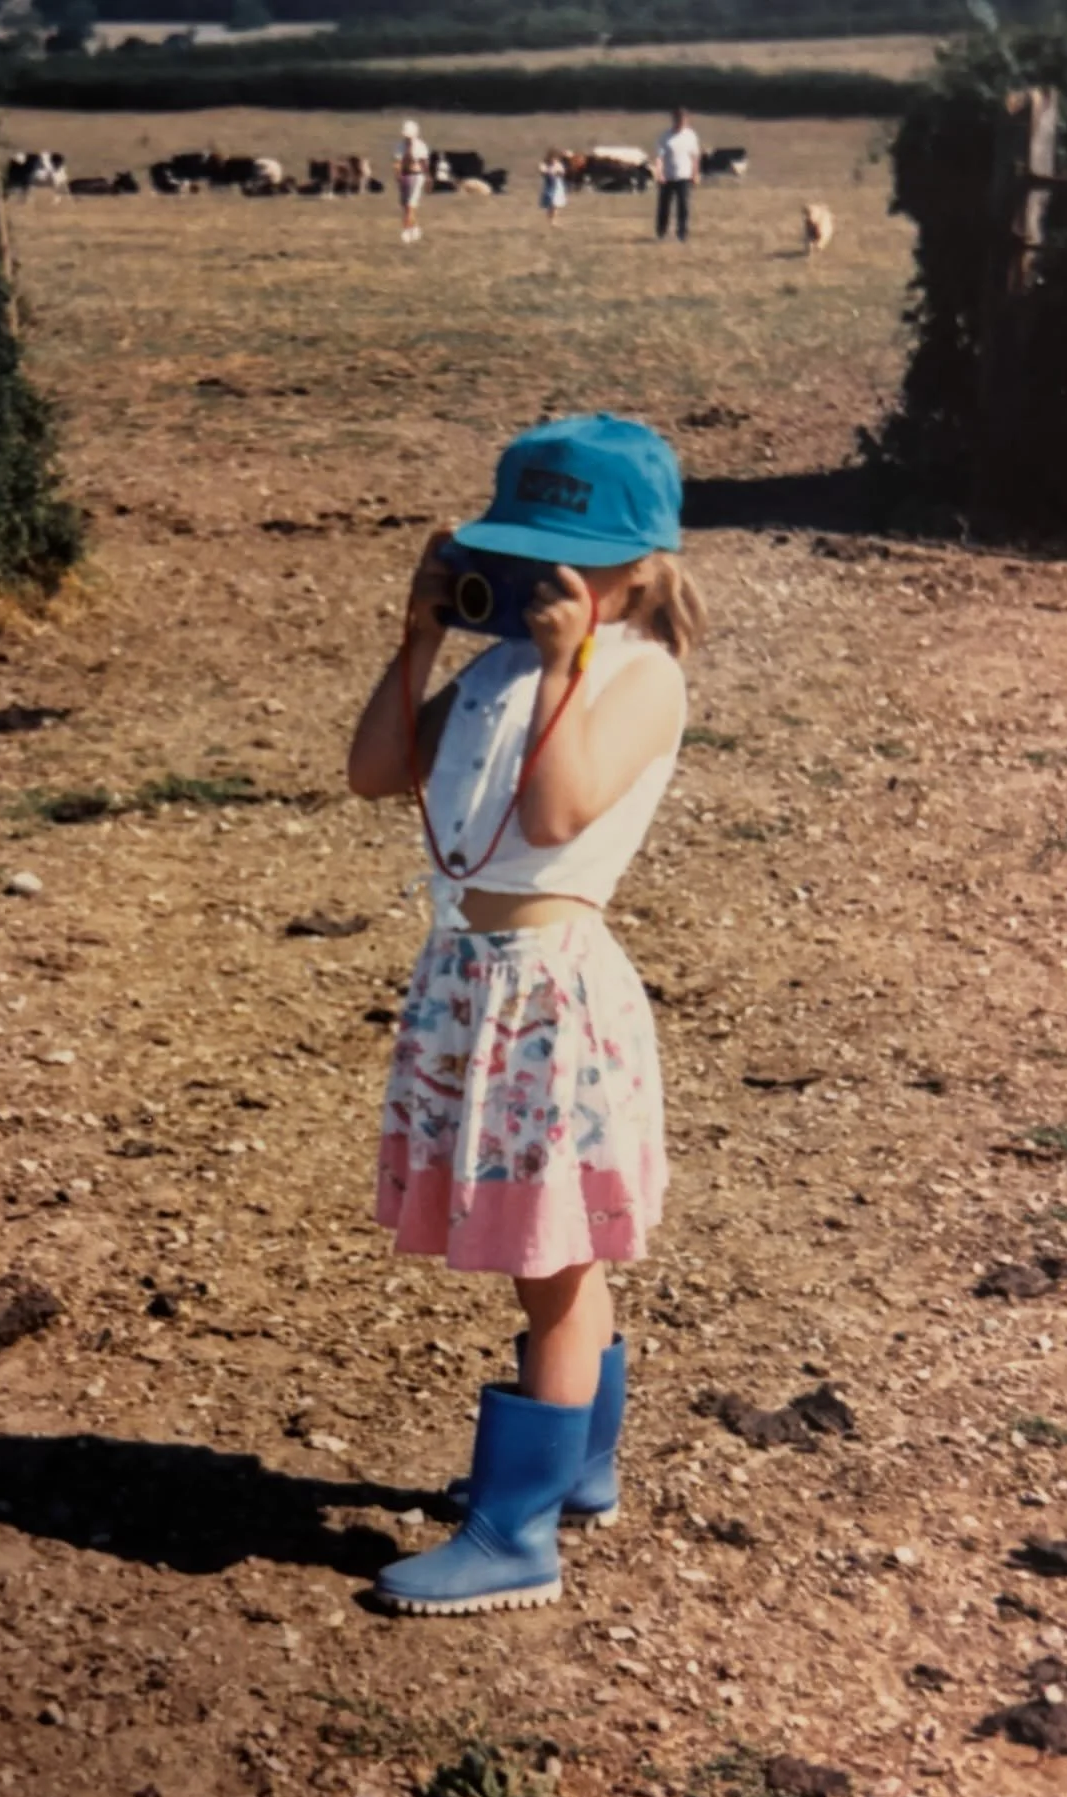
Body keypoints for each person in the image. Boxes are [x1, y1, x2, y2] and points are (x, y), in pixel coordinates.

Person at [346, 414, 705, 1616]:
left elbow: (554, 818)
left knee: (550, 1260)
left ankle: (514, 1535)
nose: (544, 584)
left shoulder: (643, 680)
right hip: (475, 987)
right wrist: (419, 640)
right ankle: (578, 1469)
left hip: (548, 994)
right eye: (524, 555)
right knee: (555, 1261)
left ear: (640, 570)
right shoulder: (494, 669)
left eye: (572, 565)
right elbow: (376, 769)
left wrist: (561, 667)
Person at [654, 105, 701, 242]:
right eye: (678, 119)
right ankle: (661, 232)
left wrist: (695, 173)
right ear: (674, 119)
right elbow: (659, 157)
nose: (681, 122)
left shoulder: (691, 136)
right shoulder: (665, 137)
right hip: (668, 177)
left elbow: (695, 156)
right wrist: (659, 173)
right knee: (664, 206)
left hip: (684, 176)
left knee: (683, 206)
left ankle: (682, 233)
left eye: (684, 119)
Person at [394, 118, 430, 244]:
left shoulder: (420, 146)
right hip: (405, 176)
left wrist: (427, 178)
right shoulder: (400, 145)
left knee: (410, 205)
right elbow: (398, 162)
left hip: (417, 176)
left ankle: (405, 232)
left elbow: (424, 163)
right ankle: (415, 228)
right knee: (405, 205)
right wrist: (397, 175)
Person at [538, 148, 568, 227]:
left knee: (555, 204)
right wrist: (548, 172)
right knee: (550, 205)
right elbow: (542, 172)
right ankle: (550, 220)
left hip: (557, 186)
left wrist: (557, 173)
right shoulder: (544, 164)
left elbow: (562, 172)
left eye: (555, 158)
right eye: (552, 157)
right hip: (549, 186)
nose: (553, 159)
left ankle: (553, 221)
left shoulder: (558, 165)